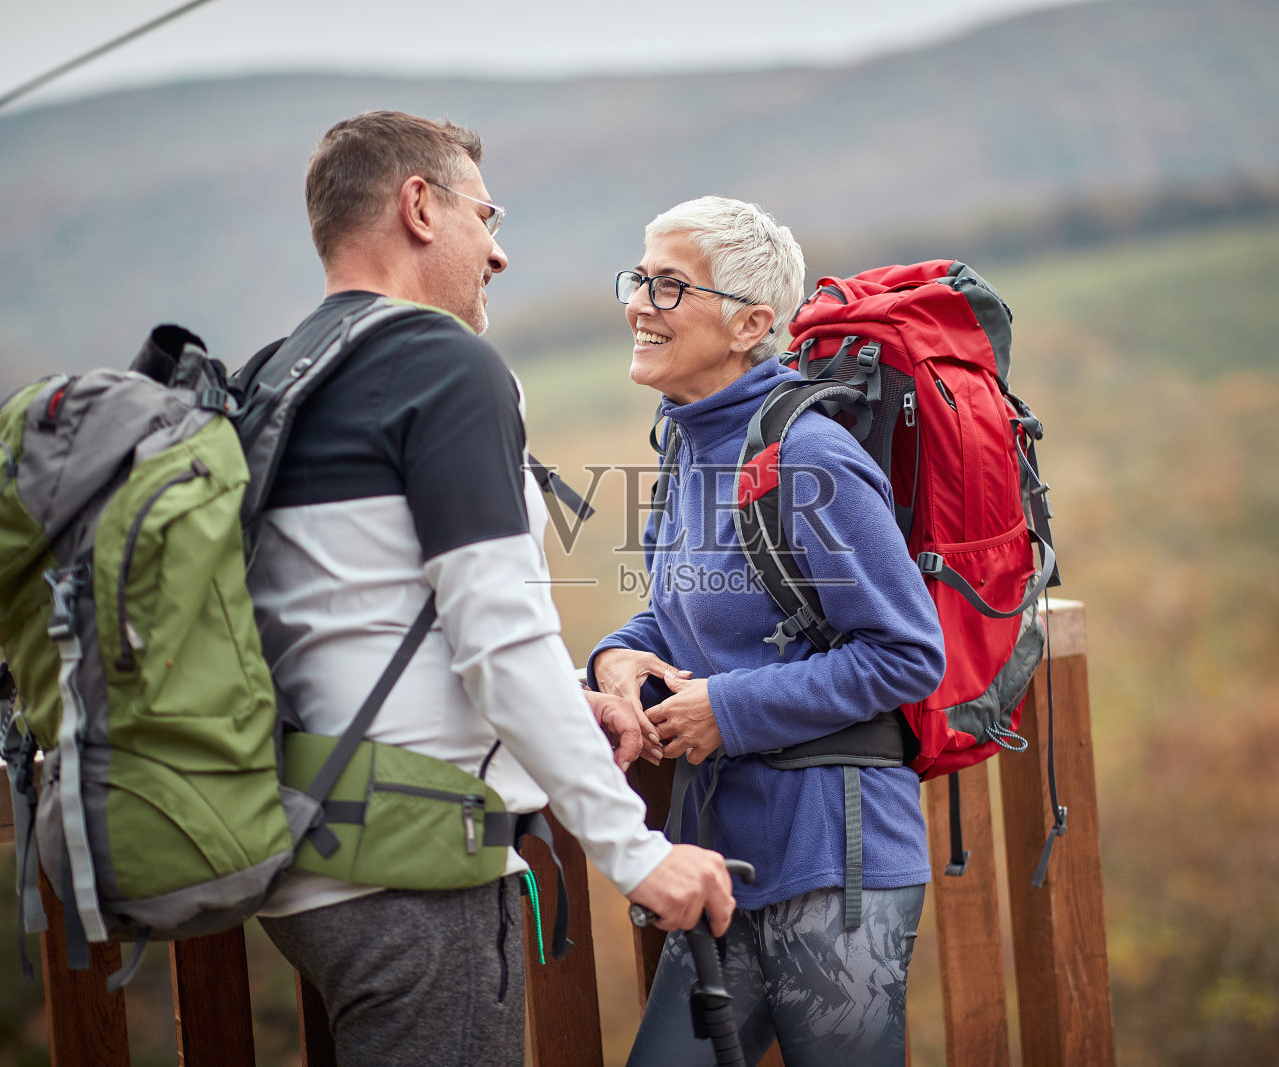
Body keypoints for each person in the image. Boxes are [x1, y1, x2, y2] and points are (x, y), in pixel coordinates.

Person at [246, 111, 735, 1067]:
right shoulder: (442, 364)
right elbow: (498, 632)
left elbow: (360, 615)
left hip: (307, 855)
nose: (498, 252)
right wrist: (635, 851)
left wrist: (567, 703)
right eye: (487, 214)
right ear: (419, 207)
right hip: (414, 868)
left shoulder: (277, 374)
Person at [590, 196, 946, 1066]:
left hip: (834, 860)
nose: (639, 302)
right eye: (639, 277)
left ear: (752, 323)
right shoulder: (688, 447)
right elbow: (684, 612)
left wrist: (731, 708)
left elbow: (908, 650)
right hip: (724, 857)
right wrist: (619, 655)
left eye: (670, 286)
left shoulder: (809, 457)